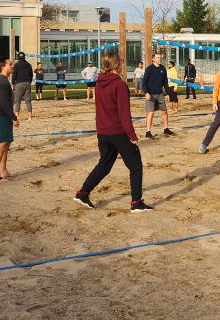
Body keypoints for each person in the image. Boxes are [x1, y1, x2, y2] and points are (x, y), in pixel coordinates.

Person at [74, 51, 153, 212]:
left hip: (103, 131)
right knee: (135, 165)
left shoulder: (99, 82)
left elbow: (99, 109)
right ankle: (136, 202)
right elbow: (124, 114)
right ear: (117, 65)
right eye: (122, 62)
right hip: (117, 132)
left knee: (104, 165)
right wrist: (132, 135)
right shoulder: (120, 85)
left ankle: (82, 193)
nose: (123, 65)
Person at [0, 57, 19, 182]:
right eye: (10, 64)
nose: (12, 66)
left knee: (6, 145)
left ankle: (4, 171)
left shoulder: (4, 80)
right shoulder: (1, 81)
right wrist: (14, 118)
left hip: (5, 116)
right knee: (2, 145)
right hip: (1, 116)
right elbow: (4, 104)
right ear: (3, 67)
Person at [143, 53, 174, 139]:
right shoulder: (149, 69)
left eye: (160, 57)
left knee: (164, 111)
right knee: (151, 113)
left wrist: (167, 93)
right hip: (151, 94)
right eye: (158, 57)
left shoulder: (163, 69)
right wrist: (146, 93)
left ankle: (166, 129)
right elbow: (144, 82)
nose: (160, 59)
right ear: (154, 59)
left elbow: (165, 83)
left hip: (160, 94)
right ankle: (148, 132)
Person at [12, 51, 34, 121]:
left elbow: (14, 74)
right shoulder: (28, 64)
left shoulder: (16, 65)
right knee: (28, 101)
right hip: (27, 82)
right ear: (24, 57)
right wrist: (29, 82)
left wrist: (13, 83)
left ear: (18, 58)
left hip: (19, 83)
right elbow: (31, 75)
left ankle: (17, 116)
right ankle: (30, 117)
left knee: (17, 100)